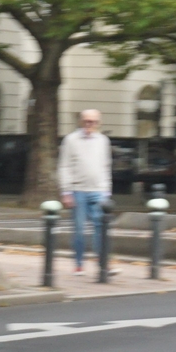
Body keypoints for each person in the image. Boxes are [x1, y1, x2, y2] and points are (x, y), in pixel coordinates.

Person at [57, 108, 113, 273]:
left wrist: (107, 189)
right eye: (87, 121)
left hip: (99, 189)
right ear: (81, 122)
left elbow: (106, 165)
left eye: (94, 122)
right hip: (77, 189)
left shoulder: (103, 140)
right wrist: (66, 191)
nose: (90, 125)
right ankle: (79, 263)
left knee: (100, 226)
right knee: (79, 229)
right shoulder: (71, 140)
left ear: (98, 123)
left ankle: (102, 263)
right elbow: (64, 166)